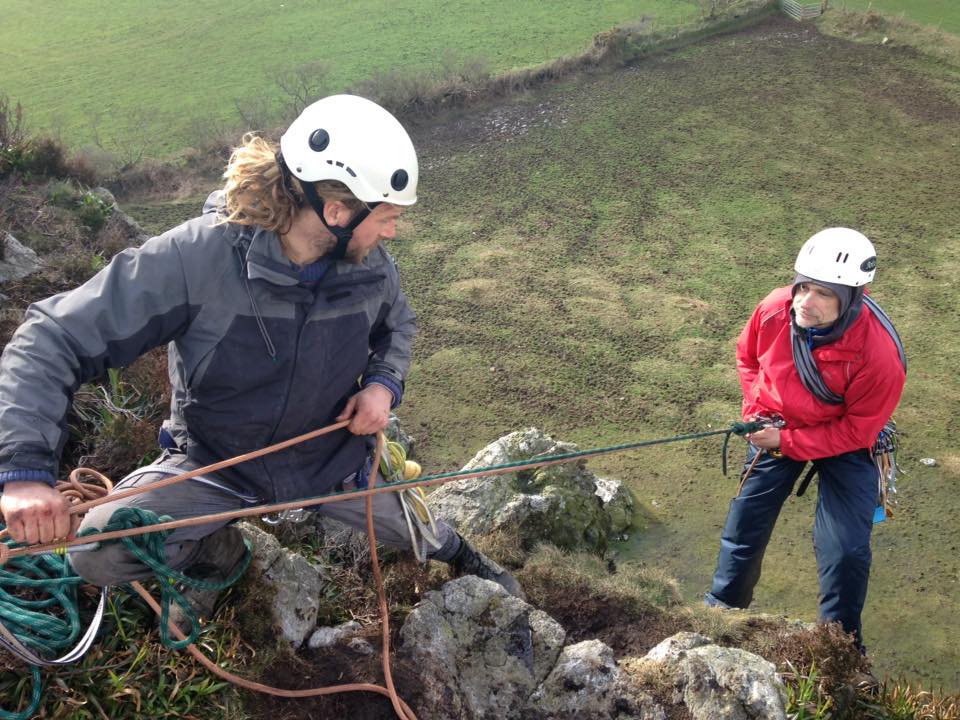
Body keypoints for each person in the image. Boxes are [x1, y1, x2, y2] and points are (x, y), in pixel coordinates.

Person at [0, 94, 522, 630]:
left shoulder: (368, 266)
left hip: (331, 461)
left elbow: (398, 326)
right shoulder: (199, 258)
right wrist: (24, 473)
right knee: (96, 552)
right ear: (336, 211)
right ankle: (216, 552)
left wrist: (384, 385)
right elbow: (52, 336)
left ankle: (461, 554)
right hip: (215, 463)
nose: (390, 233)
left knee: (418, 532)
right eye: (385, 217)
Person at [705, 227, 906, 650]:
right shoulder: (775, 309)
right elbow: (748, 359)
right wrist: (755, 415)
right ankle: (720, 615)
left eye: (823, 294)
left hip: (846, 441)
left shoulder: (880, 355)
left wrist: (786, 442)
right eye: (803, 287)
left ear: (855, 296)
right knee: (745, 524)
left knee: (846, 550)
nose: (804, 303)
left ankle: (841, 647)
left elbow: (859, 429)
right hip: (776, 423)